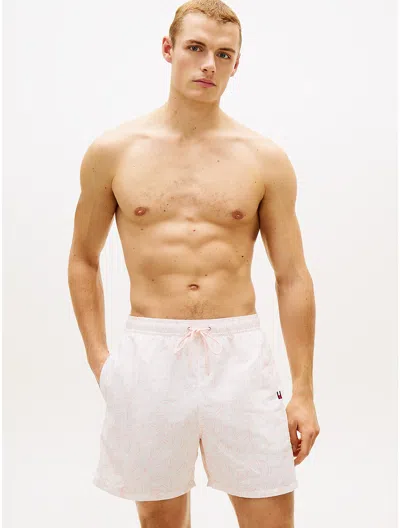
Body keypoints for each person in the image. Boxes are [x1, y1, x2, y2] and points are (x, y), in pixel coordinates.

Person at [68, 0, 319, 526]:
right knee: (161, 521)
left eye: (224, 54)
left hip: (239, 355)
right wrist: (101, 361)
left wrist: (303, 391)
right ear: (169, 49)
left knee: (271, 518)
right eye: (196, 48)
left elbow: (292, 276)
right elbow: (83, 259)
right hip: (150, 355)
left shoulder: (264, 158)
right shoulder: (114, 152)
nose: (209, 64)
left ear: (236, 64)